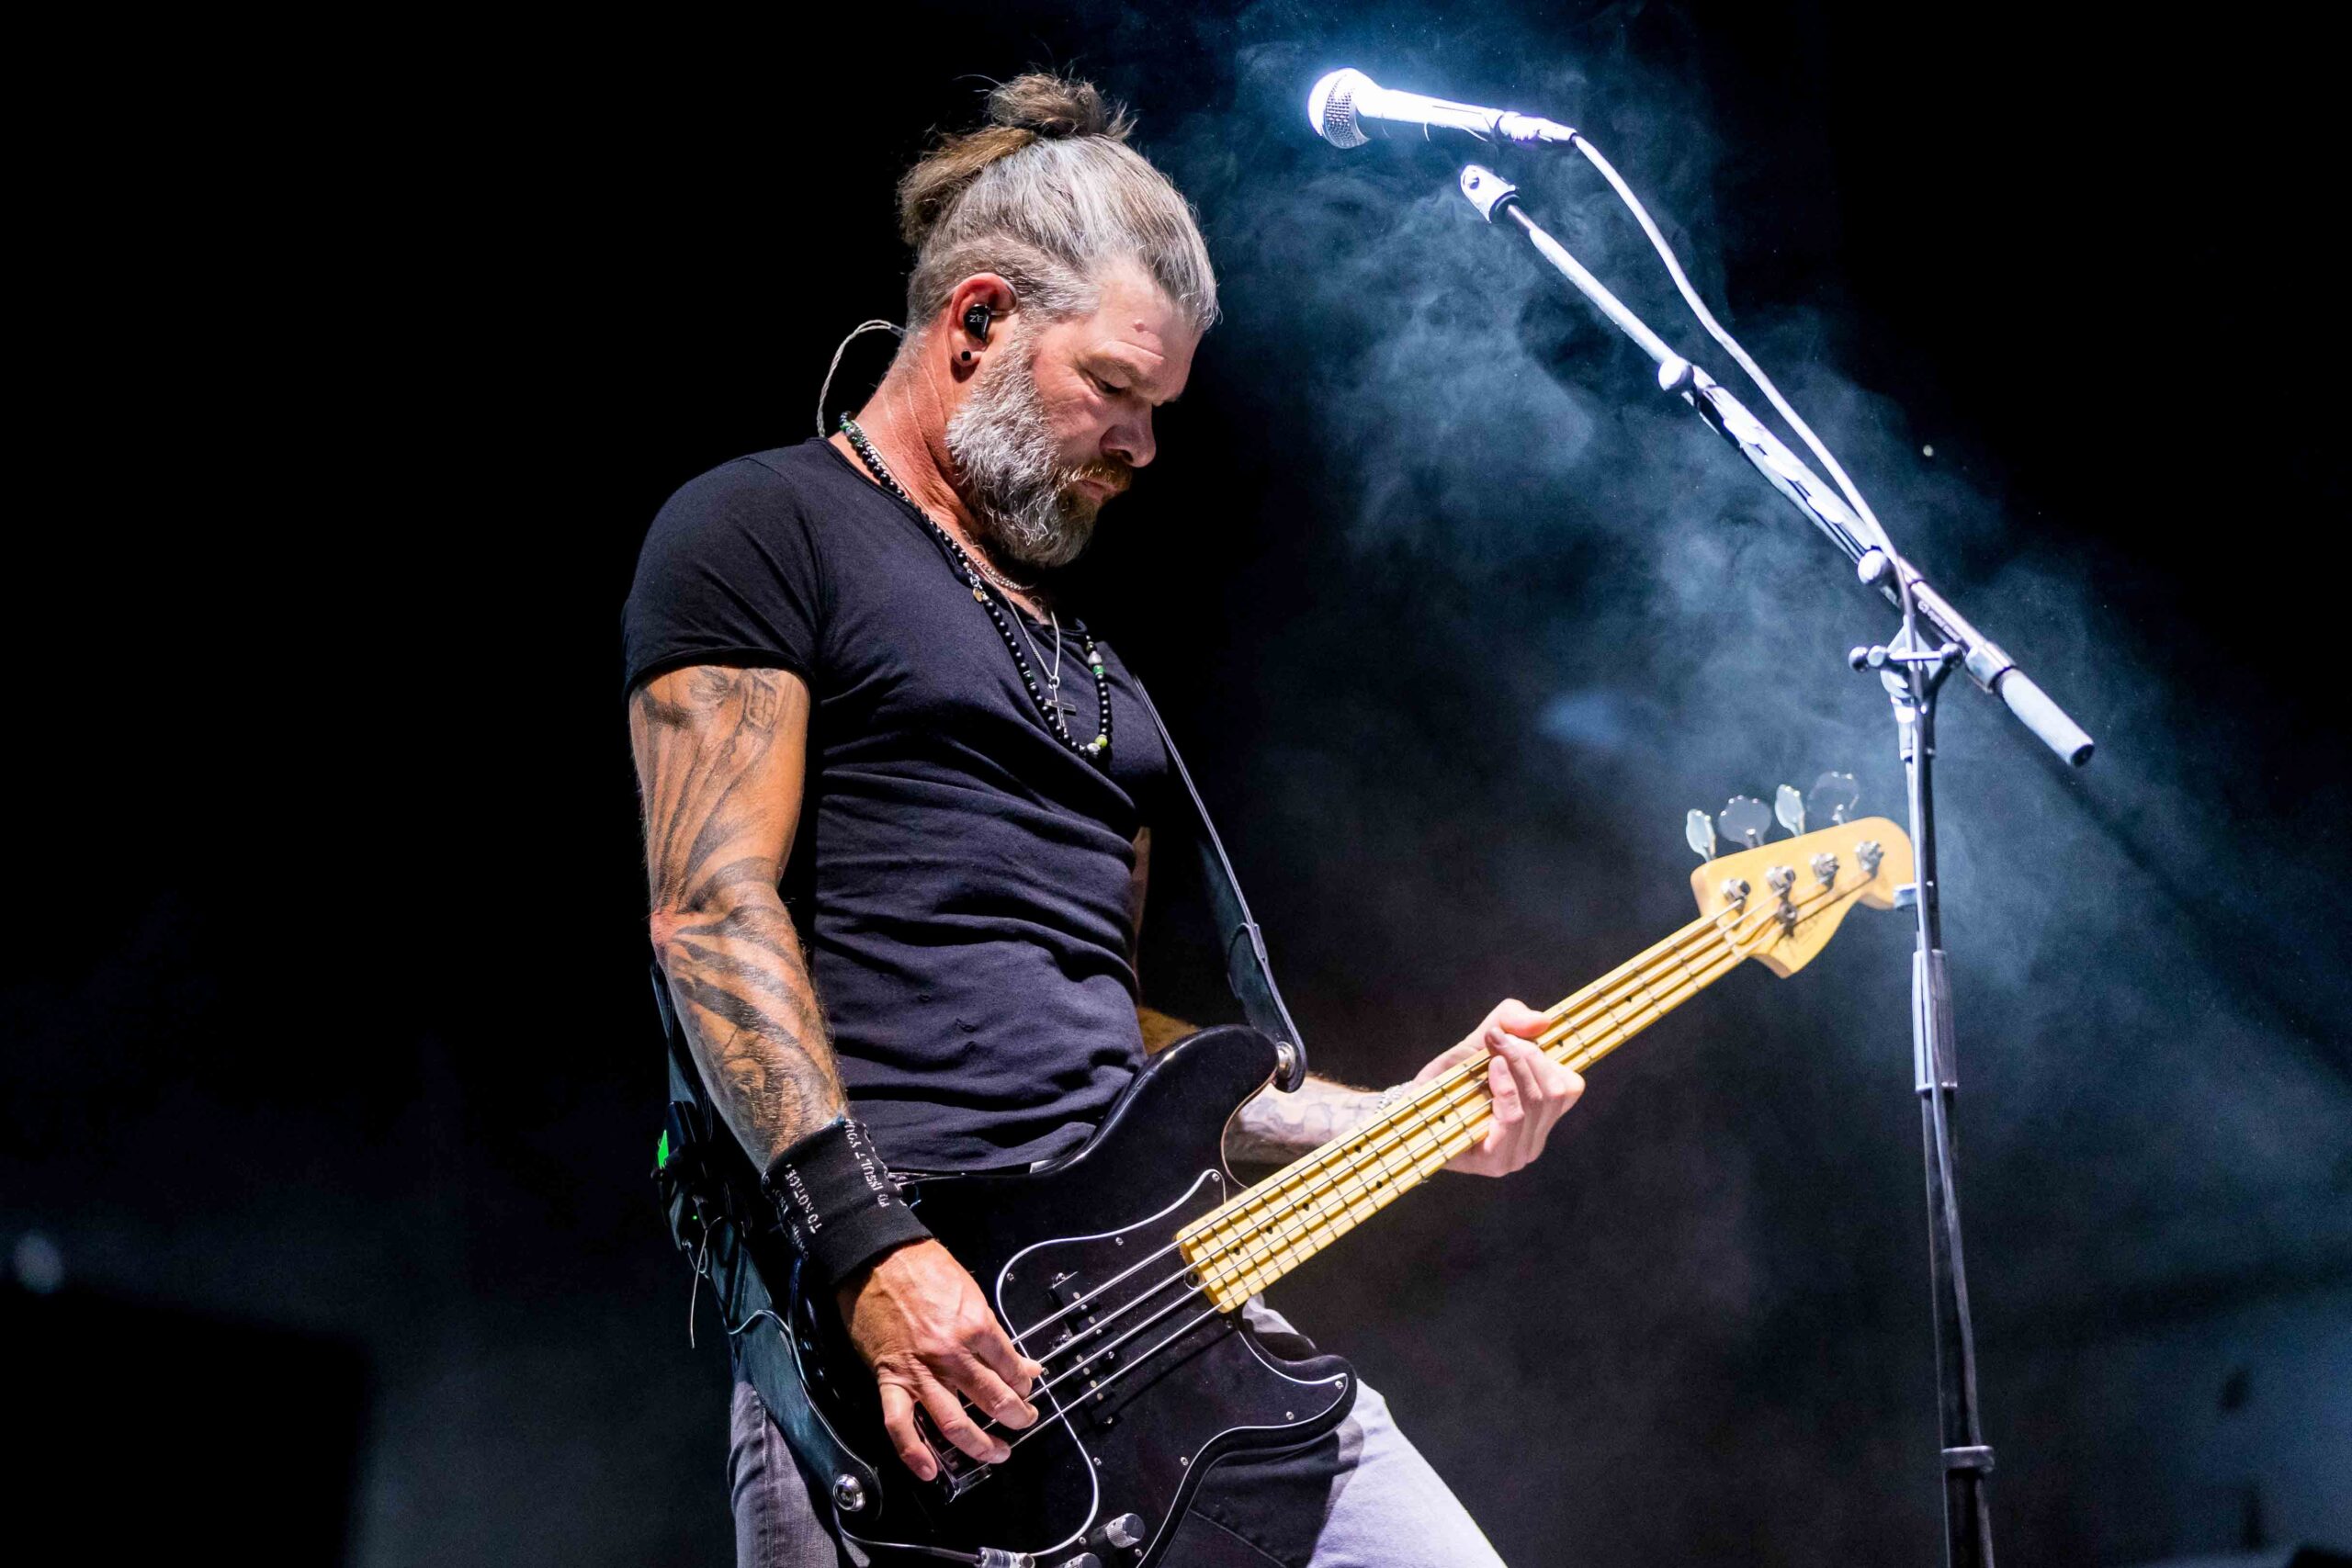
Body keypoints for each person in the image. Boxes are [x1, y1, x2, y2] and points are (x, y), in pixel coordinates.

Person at [622, 73, 1582, 1568]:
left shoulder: (1099, 678)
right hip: (914, 1359)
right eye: (1116, 390)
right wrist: (868, 1248)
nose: (1141, 446)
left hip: (1165, 1312)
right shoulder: (762, 528)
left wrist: (1404, 1121)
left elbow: (1109, 1039)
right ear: (979, 322)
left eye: (1160, 410)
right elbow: (708, 908)